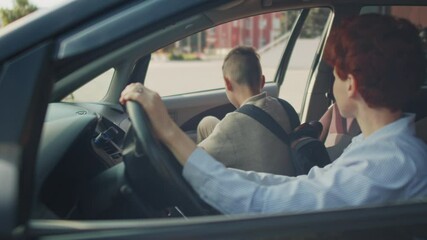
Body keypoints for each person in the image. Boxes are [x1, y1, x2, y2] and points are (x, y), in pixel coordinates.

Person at [120, 14, 427, 215]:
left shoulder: (390, 163)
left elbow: (264, 204)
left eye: (334, 74)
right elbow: (304, 185)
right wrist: (226, 175)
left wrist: (169, 131)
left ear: (352, 85)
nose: (331, 83)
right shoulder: (375, 147)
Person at [196, 46, 297, 175]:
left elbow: (194, 161)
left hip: (257, 191)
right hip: (287, 183)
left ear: (227, 83)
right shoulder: (286, 107)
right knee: (207, 122)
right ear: (262, 81)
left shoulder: (232, 125)